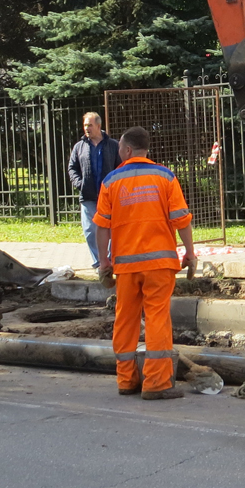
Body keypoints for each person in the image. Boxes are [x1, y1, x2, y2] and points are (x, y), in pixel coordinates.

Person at [95, 126, 196, 400]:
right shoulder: (165, 176)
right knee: (157, 320)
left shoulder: (111, 182)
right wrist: (190, 253)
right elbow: (181, 219)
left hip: (125, 267)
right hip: (159, 265)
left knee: (125, 319)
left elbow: (102, 227)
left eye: (120, 150)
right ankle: (157, 383)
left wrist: (104, 261)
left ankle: (126, 380)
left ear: (128, 150)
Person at [68, 112, 120, 269]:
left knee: (111, 229)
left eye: (89, 125)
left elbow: (120, 166)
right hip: (88, 195)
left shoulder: (113, 145)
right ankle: (99, 262)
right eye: (85, 125)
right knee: (90, 229)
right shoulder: (79, 146)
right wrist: (80, 184)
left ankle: (110, 259)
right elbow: (72, 168)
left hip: (109, 196)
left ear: (98, 126)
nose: (86, 128)